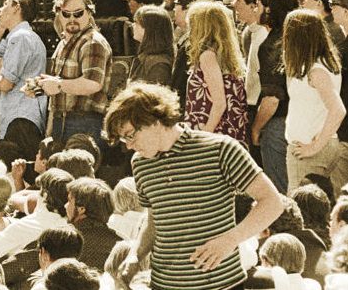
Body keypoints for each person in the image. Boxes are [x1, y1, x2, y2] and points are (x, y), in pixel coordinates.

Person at [105, 82, 285, 290]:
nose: (128, 145)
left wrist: (231, 240)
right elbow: (155, 220)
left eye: (130, 135)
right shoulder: (140, 163)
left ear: (154, 120)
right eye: (123, 139)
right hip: (164, 285)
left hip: (222, 284)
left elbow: (273, 202)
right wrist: (136, 255)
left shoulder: (220, 148)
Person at [281, 8, 347, 192]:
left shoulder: (315, 71)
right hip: (318, 146)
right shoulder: (322, 65)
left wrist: (314, 147)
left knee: (301, 208)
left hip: (308, 150)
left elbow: (338, 110)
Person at [38, 0, 112, 147]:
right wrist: (41, 87)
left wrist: (58, 85)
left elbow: (93, 83)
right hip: (61, 122)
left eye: (78, 13)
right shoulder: (63, 42)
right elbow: (57, 93)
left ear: (89, 12)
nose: (72, 18)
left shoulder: (93, 42)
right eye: (66, 14)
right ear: (58, 14)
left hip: (85, 124)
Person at [0, 0, 48, 155]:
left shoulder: (20, 38)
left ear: (17, 7)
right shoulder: (17, 37)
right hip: (21, 116)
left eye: (5, 5)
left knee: (18, 168)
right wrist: (2, 24)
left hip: (21, 117)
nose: (0, 9)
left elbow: (5, 84)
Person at [251, 0, 299, 194]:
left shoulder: (271, 45)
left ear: (269, 11)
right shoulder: (297, 39)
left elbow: (272, 98)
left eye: (259, 6)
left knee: (279, 190)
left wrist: (256, 128)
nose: (255, 10)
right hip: (297, 122)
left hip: (277, 125)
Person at [184, 1, 248, 143]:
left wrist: (203, 138)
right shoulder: (225, 56)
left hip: (211, 131)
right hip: (229, 130)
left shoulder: (207, 56)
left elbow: (219, 103)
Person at [63, 177, 121, 270]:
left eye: (69, 201)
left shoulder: (64, 240)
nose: (65, 205)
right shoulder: (120, 242)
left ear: (81, 209)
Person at [127, 4, 175, 87]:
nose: (132, 25)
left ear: (149, 29)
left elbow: (155, 98)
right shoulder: (145, 56)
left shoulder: (159, 65)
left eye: (136, 22)